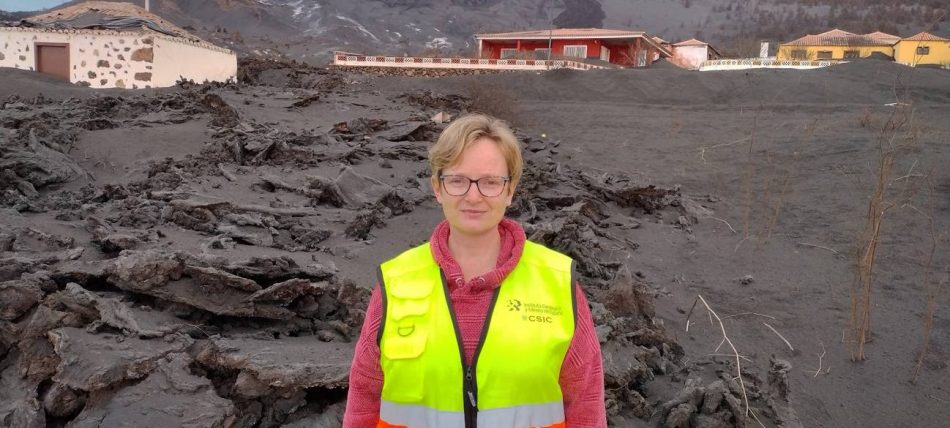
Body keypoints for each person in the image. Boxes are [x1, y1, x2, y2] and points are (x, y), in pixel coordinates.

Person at [343, 113, 606, 428]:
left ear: (510, 191)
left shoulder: (558, 282)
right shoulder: (394, 283)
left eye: (490, 182)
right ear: (437, 188)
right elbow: (363, 403)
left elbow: (586, 408)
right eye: (457, 180)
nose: (473, 196)